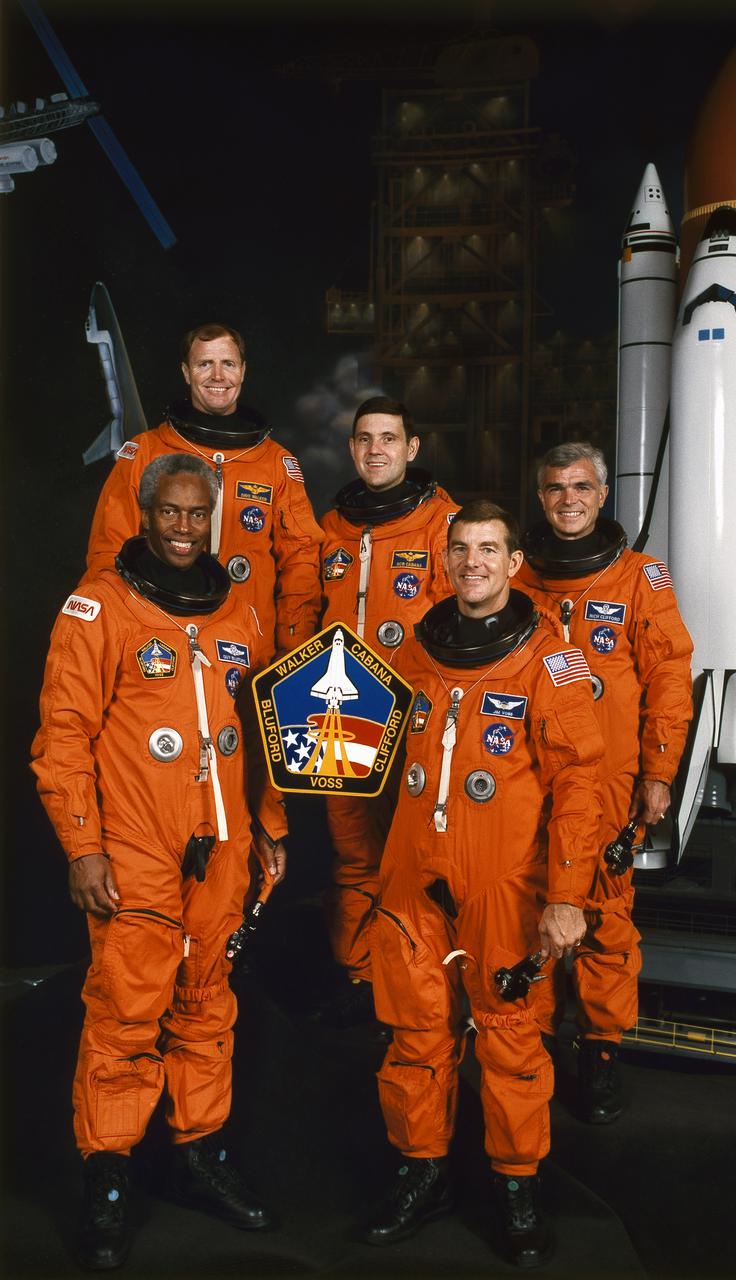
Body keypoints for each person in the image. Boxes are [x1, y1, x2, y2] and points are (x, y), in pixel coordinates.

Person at [32, 454, 288, 1272]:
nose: (183, 529)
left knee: (208, 1005)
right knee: (124, 1012)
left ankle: (198, 1154)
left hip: (224, 849)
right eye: (169, 514)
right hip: (136, 846)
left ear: (213, 517)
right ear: (145, 516)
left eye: (195, 515)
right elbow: (62, 737)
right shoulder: (98, 607)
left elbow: (261, 730)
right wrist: (82, 846)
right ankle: (108, 1178)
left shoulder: (239, 612)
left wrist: (271, 827)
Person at [361, 500, 604, 1268]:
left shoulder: (550, 661)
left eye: (489, 550)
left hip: (505, 880)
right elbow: (367, 750)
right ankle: (422, 1170)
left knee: (510, 1035)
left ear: (512, 563)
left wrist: (567, 897)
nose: (474, 563)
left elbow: (580, 787)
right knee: (414, 1030)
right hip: (413, 875)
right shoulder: (414, 654)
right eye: (461, 549)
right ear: (446, 559)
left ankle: (515, 1185)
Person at [517, 442, 693, 1124]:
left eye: (581, 485)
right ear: (541, 497)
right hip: (529, 778)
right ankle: (528, 1041)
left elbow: (670, 678)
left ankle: (600, 1050)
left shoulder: (639, 579)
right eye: (556, 487)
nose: (569, 498)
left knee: (606, 917)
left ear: (603, 494)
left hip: (610, 782)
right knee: (524, 908)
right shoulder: (517, 580)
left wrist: (659, 770)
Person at [317, 396, 458, 1006]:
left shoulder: (444, 525)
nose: (377, 450)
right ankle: (358, 978)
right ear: (353, 449)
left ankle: (417, 986)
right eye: (365, 439)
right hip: (339, 712)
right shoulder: (330, 528)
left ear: (413, 448)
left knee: (414, 858)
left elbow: (464, 625)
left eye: (390, 438)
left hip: (415, 716)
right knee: (353, 856)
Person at [85, 323, 324, 664]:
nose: (217, 375)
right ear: (186, 372)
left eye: (228, 363)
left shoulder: (275, 463)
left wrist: (292, 653)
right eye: (204, 364)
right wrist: (115, 638)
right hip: (157, 648)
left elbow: (301, 562)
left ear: (243, 371)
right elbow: (108, 554)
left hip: (251, 652)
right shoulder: (145, 452)